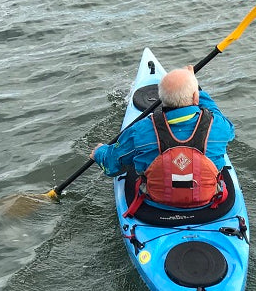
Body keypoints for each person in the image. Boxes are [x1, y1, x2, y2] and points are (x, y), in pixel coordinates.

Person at [91, 65, 235, 210]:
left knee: (128, 160)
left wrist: (99, 153)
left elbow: (111, 166)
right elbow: (216, 113)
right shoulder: (219, 126)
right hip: (208, 204)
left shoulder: (140, 130)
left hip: (156, 205)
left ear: (160, 98)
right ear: (195, 97)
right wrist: (196, 87)